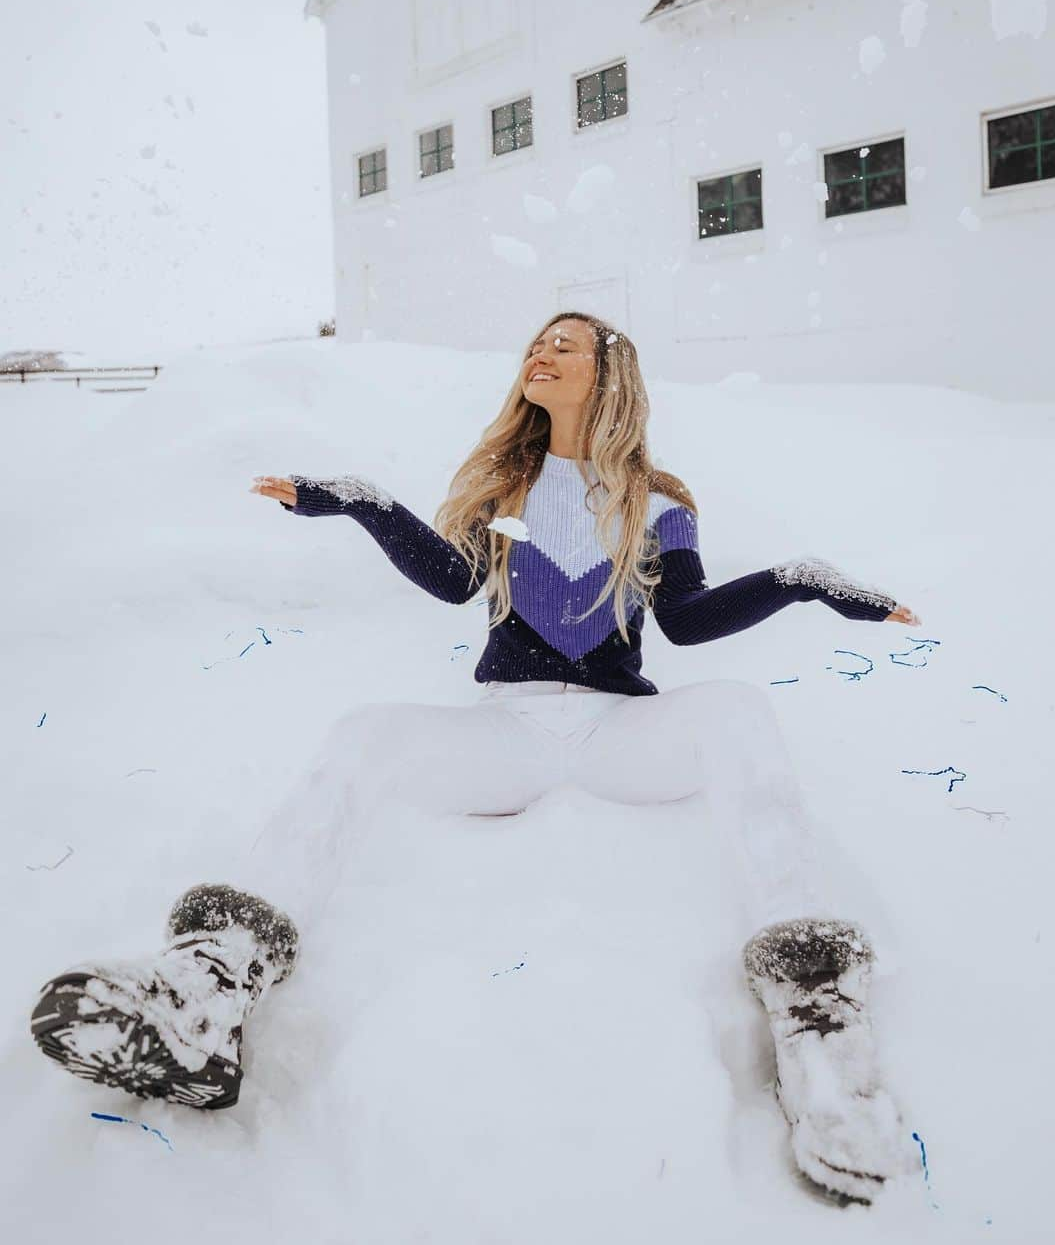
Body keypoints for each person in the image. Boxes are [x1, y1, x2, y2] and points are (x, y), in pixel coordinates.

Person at [30, 312, 921, 1205]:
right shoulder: (507, 485)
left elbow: (687, 621)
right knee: (366, 734)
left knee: (734, 714)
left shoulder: (658, 502)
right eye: (538, 342)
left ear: (611, 370)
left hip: (622, 735)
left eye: (567, 343)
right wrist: (363, 501)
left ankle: (821, 1028)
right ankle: (209, 985)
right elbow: (454, 580)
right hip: (508, 734)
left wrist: (800, 580)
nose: (543, 352)